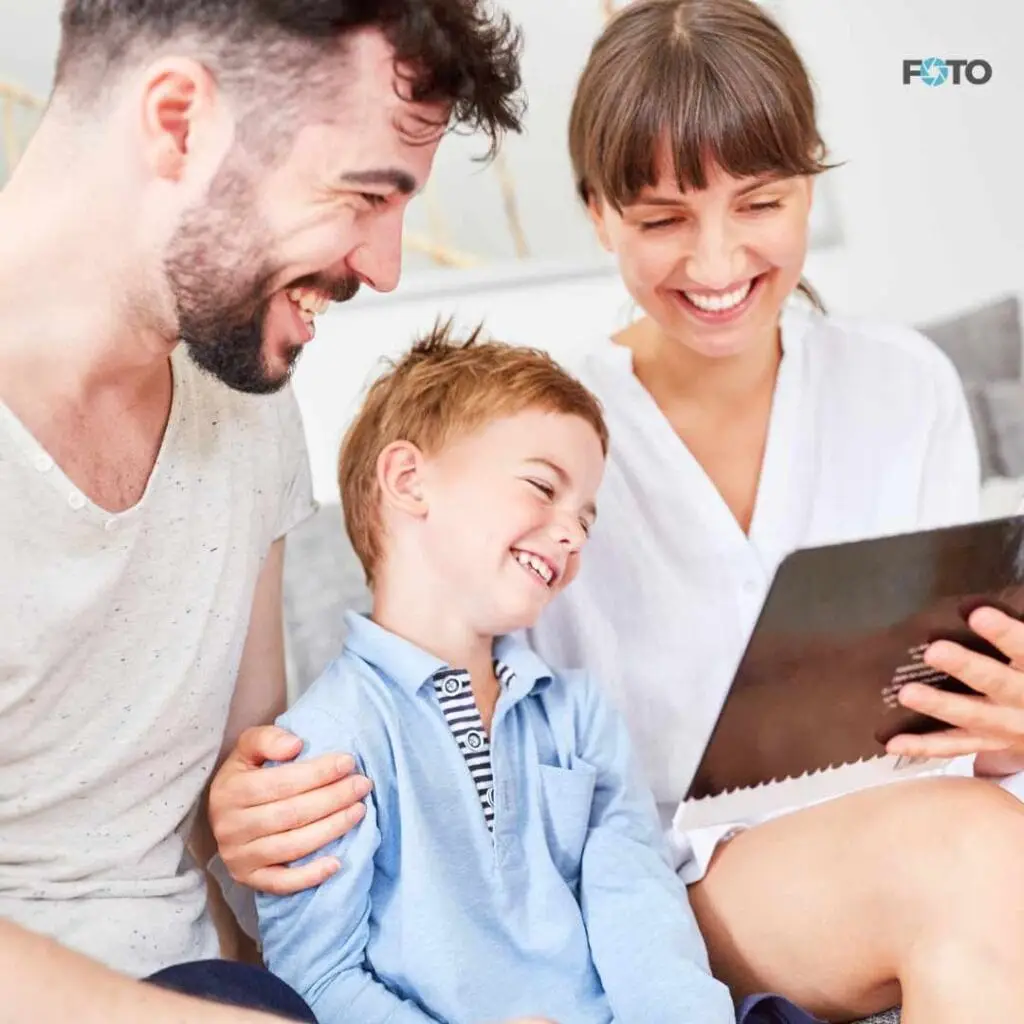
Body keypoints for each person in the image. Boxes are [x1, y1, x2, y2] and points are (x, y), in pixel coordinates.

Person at [209, 1, 1024, 1022]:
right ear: (598, 213)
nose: (716, 263)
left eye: (760, 203)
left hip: (925, 817)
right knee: (967, 850)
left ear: (809, 186)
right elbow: (465, 735)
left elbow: (941, 711)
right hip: (672, 890)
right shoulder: (549, 451)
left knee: (978, 839)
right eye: (663, 219)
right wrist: (259, 807)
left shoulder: (907, 387)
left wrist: (1000, 728)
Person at [0, 0, 523, 1019]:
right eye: (363, 195)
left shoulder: (244, 409)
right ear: (180, 122)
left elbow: (243, 818)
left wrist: (258, 823)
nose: (384, 267)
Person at [254, 324, 787, 1024]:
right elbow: (318, 978)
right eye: (542, 487)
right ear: (409, 481)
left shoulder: (579, 713)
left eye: (586, 519)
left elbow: (640, 907)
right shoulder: (328, 739)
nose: (572, 533)